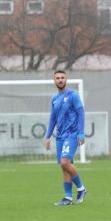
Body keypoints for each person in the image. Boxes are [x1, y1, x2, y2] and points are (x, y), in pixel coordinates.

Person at [43, 70, 87, 206]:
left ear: (66, 79)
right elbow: (53, 118)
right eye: (57, 78)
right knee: (64, 167)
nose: (60, 80)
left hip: (72, 134)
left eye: (62, 77)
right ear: (54, 80)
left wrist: (81, 132)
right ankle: (68, 198)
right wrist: (48, 136)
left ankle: (81, 188)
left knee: (64, 162)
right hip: (60, 136)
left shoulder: (73, 95)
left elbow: (81, 113)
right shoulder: (54, 99)